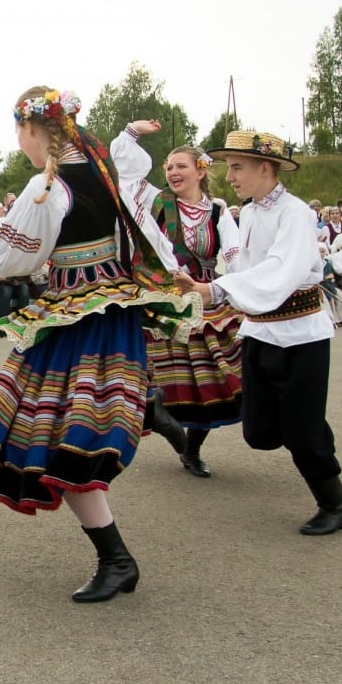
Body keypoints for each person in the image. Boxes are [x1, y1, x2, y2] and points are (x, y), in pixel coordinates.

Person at [0, 87, 200, 604]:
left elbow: (12, 259)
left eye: (19, 133)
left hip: (79, 317)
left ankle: (117, 559)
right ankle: (144, 413)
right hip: (110, 307)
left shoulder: (49, 185)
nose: (20, 143)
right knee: (60, 434)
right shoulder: (101, 169)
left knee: (57, 438)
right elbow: (138, 230)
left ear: (32, 130)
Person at [177, 130, 342, 537]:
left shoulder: (295, 213)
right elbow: (247, 270)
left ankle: (334, 503)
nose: (230, 176)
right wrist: (211, 289)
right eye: (229, 168)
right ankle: (310, 430)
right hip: (259, 332)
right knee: (258, 431)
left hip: (301, 334)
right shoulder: (250, 212)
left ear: (266, 168)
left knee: (302, 432)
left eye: (237, 167)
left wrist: (215, 289)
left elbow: (281, 270)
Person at [126, 144, 244, 477]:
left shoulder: (218, 211)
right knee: (144, 374)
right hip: (164, 298)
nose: (173, 173)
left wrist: (242, 284)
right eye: (169, 167)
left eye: (181, 167)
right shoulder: (158, 204)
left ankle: (191, 448)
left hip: (206, 296)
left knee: (209, 376)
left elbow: (234, 254)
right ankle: (161, 421)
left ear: (201, 171)